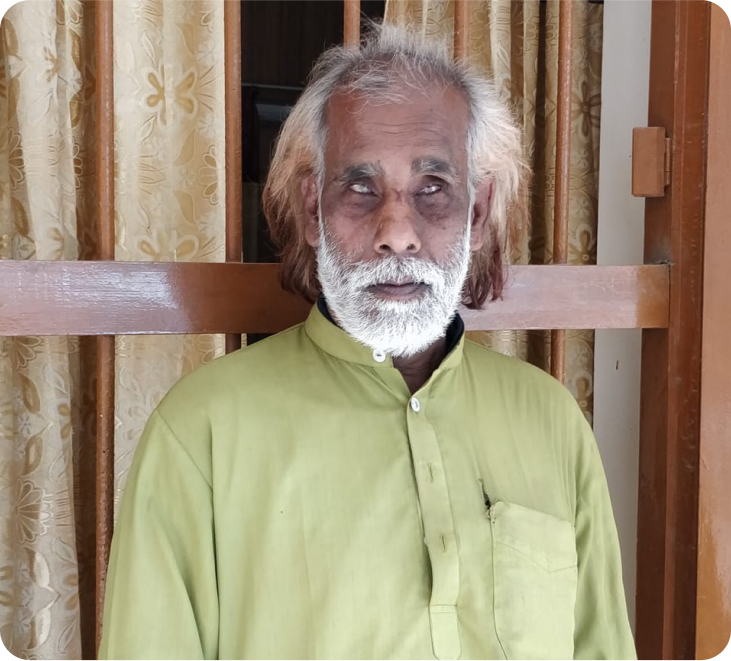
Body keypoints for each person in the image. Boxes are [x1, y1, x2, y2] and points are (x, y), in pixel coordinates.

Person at [99, 23, 637, 661]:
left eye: (432, 188)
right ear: (312, 210)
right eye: (360, 187)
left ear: (477, 211)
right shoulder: (200, 432)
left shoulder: (551, 422)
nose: (397, 232)